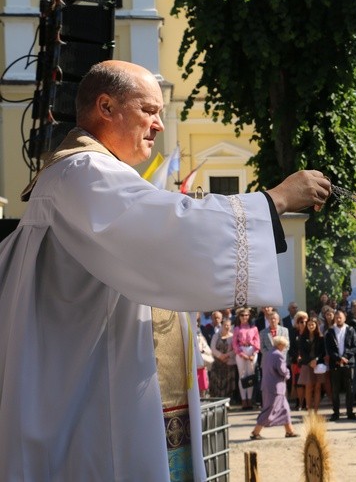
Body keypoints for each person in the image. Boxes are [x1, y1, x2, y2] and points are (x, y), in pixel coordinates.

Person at [0, 60, 331, 480]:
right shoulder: (84, 172)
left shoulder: (88, 174)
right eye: (148, 110)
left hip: (97, 386)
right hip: (87, 405)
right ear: (105, 106)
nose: (158, 124)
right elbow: (173, 228)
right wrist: (275, 200)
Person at [250, 336, 298, 439]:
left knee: (285, 409)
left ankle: (290, 431)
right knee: (269, 410)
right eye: (284, 345)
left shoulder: (268, 354)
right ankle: (255, 432)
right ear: (280, 345)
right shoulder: (278, 355)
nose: (285, 348)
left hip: (268, 386)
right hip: (275, 388)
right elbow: (282, 370)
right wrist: (288, 374)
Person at [325, 310, 356, 421]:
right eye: (336, 317)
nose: (338, 319)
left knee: (349, 389)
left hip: (348, 364)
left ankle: (350, 412)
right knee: (335, 389)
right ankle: (336, 413)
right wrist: (338, 358)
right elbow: (329, 349)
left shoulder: (350, 330)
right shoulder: (330, 332)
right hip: (335, 363)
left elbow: (355, 346)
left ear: (344, 318)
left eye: (340, 317)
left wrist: (345, 357)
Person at [233, 307, 261, 410]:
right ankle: (243, 400)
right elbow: (234, 343)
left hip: (251, 349)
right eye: (242, 315)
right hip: (241, 350)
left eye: (246, 315)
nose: (245, 317)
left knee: (251, 375)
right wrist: (241, 353)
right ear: (239, 317)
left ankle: (249, 399)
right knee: (242, 375)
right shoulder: (236, 329)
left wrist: (254, 353)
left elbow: (257, 341)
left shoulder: (254, 328)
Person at [210, 318, 238, 400]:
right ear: (221, 325)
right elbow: (212, 348)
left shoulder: (233, 337)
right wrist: (221, 356)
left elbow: (235, 349)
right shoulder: (216, 336)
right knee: (217, 384)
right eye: (225, 325)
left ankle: (227, 402)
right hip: (217, 364)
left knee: (228, 384)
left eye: (228, 325)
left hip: (229, 363)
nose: (227, 327)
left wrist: (227, 355)